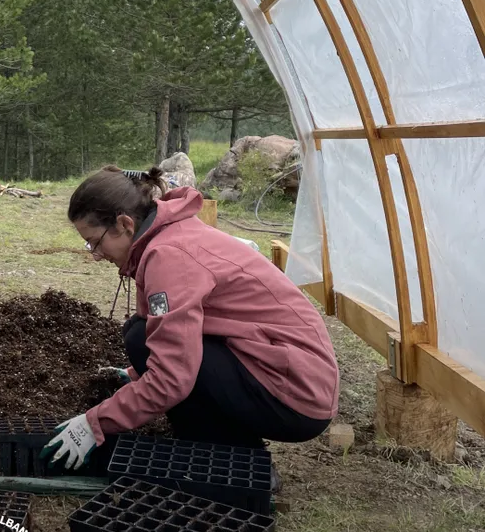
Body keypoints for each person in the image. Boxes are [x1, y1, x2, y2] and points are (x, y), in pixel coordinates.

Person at [44, 166, 339, 476]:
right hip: (282, 370)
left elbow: (173, 377)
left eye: (95, 241)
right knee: (139, 334)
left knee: (144, 345)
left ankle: (232, 461)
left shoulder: (169, 256)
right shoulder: (165, 236)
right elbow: (175, 332)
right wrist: (134, 374)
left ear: (124, 224)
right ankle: (229, 446)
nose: (95, 254)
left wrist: (95, 423)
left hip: (296, 396)